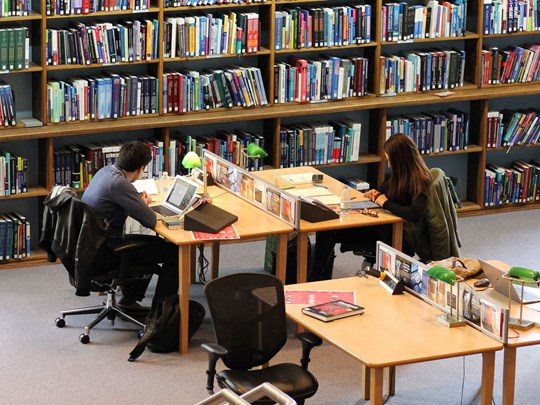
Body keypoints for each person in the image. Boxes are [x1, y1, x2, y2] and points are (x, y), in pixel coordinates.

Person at [309, 133, 431, 281]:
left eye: (390, 160)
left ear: (401, 160)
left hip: (394, 235)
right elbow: (386, 192)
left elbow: (415, 213)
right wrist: (376, 194)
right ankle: (318, 276)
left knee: (330, 231)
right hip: (381, 226)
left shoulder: (420, 180)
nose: (389, 165)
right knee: (327, 228)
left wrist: (385, 203)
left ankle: (316, 276)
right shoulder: (400, 174)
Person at [82, 141, 179, 310]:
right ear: (141, 168)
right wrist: (142, 204)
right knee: (174, 253)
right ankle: (160, 313)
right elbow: (150, 220)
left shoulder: (105, 172)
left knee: (156, 245)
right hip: (106, 252)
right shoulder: (120, 184)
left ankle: (130, 297)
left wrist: (136, 203)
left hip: (92, 245)